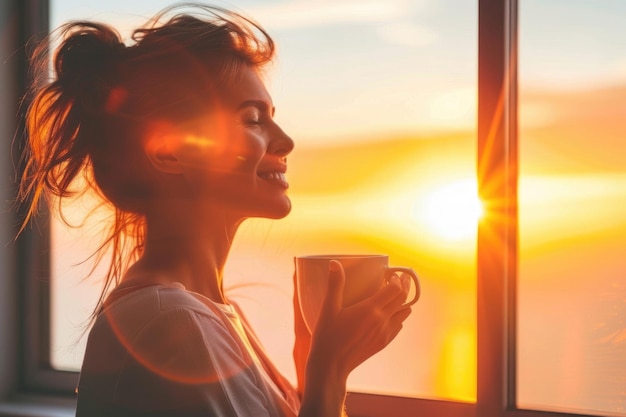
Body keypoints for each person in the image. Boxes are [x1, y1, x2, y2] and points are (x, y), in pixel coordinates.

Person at [18, 4, 413, 416]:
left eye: (271, 117)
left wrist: (310, 365)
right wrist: (329, 372)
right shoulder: (169, 323)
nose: (286, 141)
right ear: (169, 151)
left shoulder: (214, 314)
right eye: (252, 119)